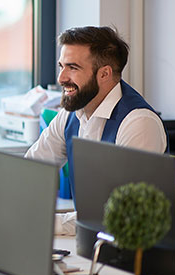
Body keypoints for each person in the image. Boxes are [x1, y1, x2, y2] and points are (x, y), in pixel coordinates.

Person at [25, 26, 167, 199]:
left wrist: (51, 224)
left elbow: (125, 215)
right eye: (61, 66)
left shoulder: (139, 123)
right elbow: (30, 170)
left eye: (73, 68)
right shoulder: (70, 114)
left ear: (104, 74)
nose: (61, 78)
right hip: (88, 225)